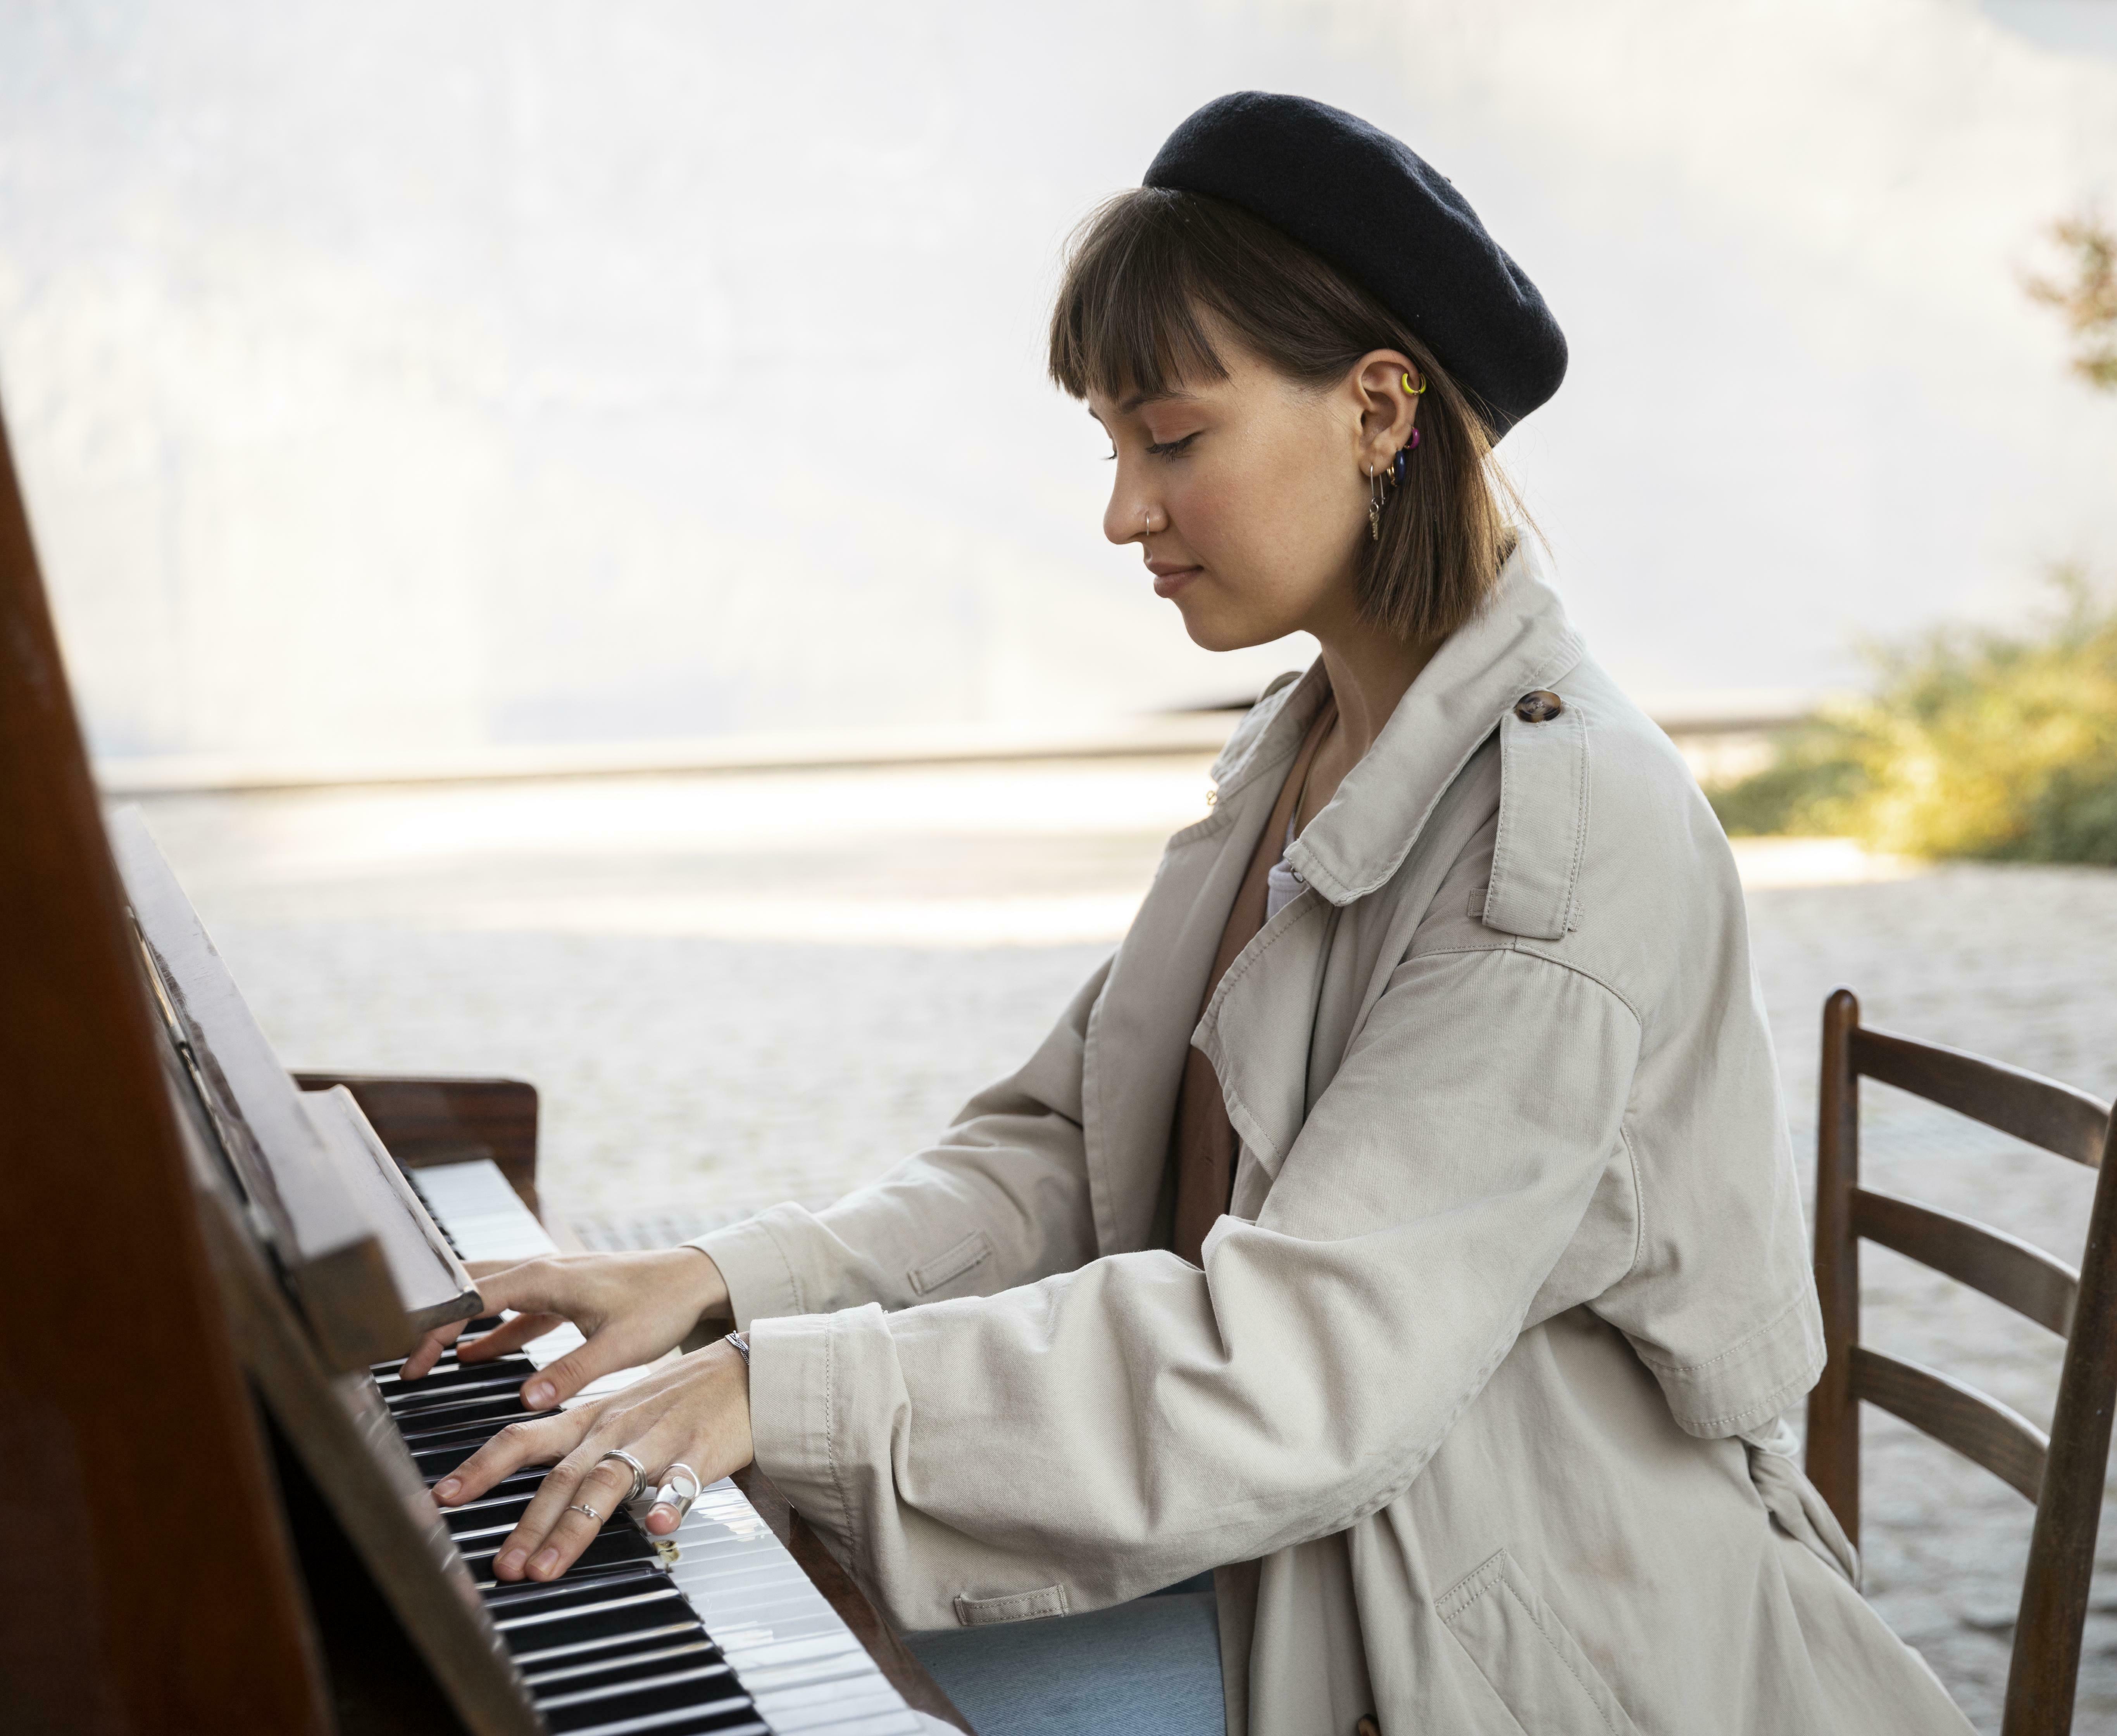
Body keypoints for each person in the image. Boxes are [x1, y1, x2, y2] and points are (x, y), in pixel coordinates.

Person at [409, 91, 1974, 1736]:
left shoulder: (1561, 847)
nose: (1121, 512)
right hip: (1318, 1551)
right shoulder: (1305, 751)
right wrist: (727, 1287)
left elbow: (1297, 1365)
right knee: (774, 1588)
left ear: (1380, 412)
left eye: (1172, 439)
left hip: (1519, 1632)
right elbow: (1065, 1151)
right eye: (1110, 445)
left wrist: (771, 1393)